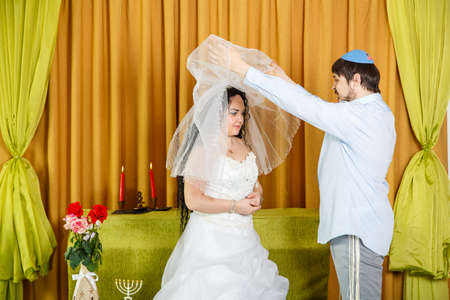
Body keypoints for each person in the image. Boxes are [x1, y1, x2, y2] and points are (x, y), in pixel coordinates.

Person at [209, 36, 396, 300]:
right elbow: (315, 107)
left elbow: (312, 109)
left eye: (336, 80)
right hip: (358, 227)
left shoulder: (363, 116)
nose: (333, 86)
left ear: (355, 79)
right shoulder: (369, 113)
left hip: (357, 230)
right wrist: (287, 82)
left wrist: (243, 70)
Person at [155, 36, 300, 299]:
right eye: (233, 112)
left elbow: (254, 185)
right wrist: (235, 206)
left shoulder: (244, 147)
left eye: (242, 113)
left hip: (246, 241)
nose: (240, 119)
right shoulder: (203, 150)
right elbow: (193, 200)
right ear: (216, 112)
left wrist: (258, 196)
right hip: (211, 243)